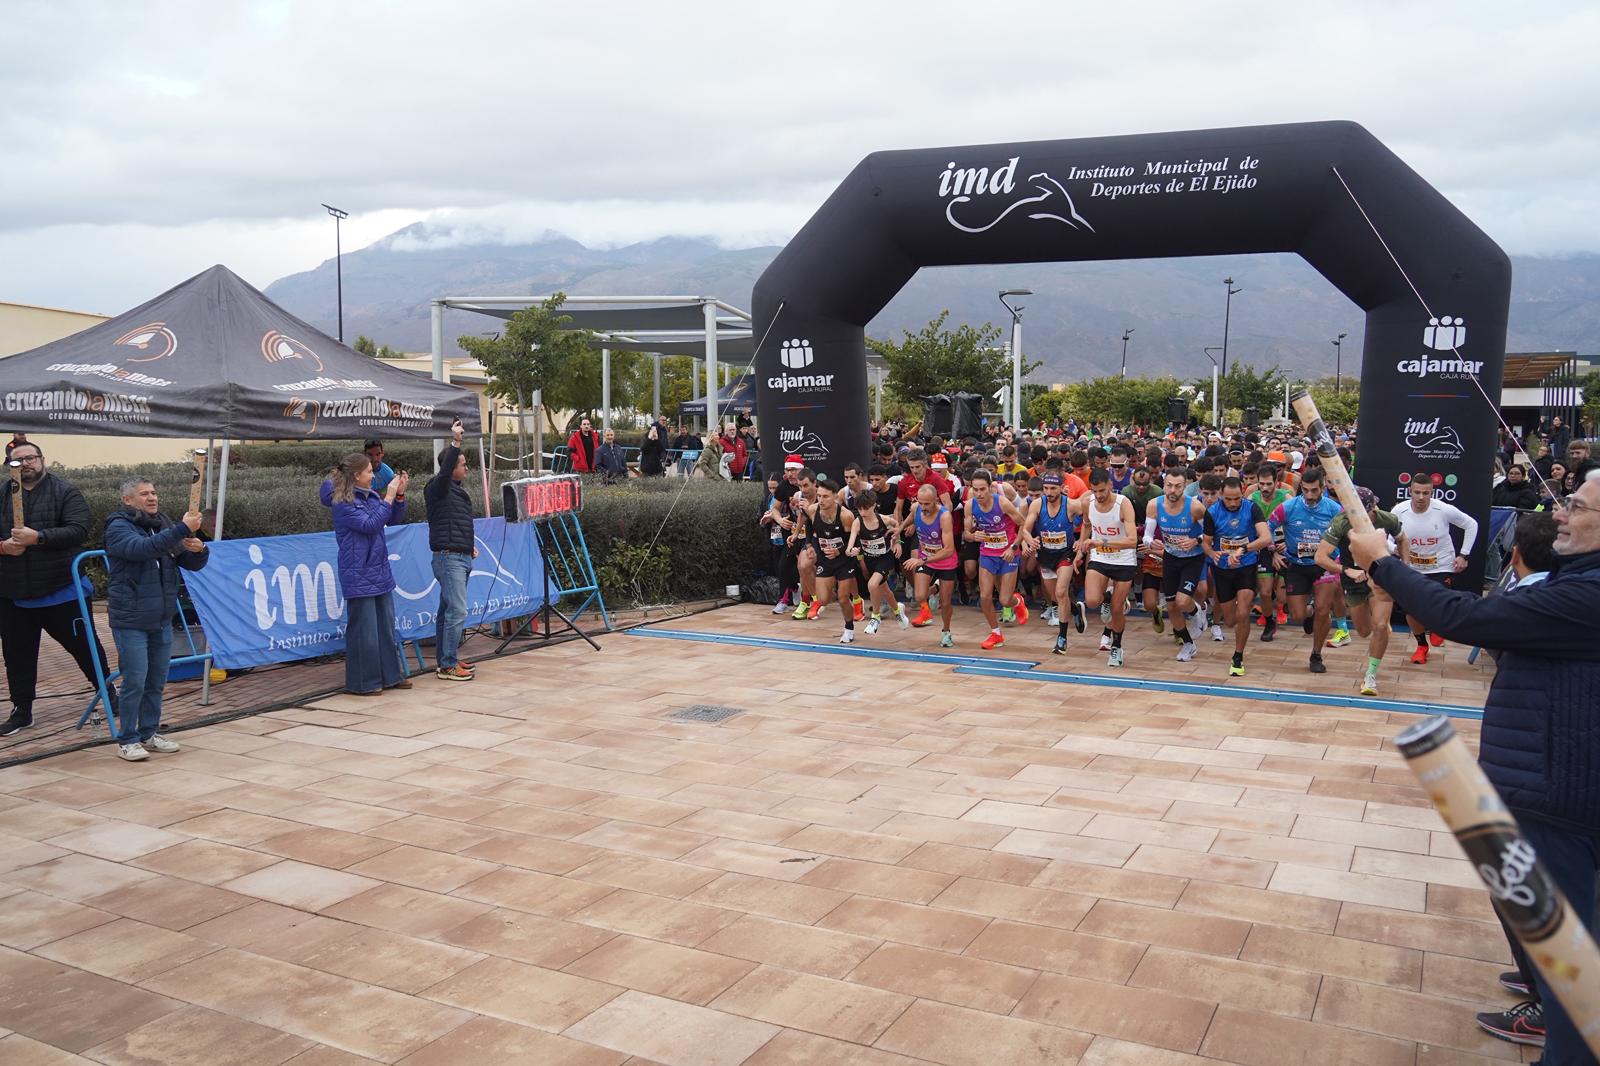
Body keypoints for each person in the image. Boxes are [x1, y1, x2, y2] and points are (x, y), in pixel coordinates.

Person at [1348, 469, 1600, 1066]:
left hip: (1560, 794)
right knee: (1541, 923)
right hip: (1547, 781)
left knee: (1573, 967)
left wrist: (1383, 564)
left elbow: (1464, 620)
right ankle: (1541, 986)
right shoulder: (1575, 583)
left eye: (1578, 506)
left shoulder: (1584, 597)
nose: (1559, 513)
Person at [0, 441, 116, 737]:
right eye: (17, 461)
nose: (25, 464)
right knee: (17, 656)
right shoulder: (2, 495)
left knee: (86, 649)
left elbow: (79, 529)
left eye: (30, 458)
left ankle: (109, 693)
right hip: (14, 593)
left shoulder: (65, 491)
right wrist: (3, 547)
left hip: (62, 590)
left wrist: (37, 537)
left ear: (42, 460)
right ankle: (22, 710)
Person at [102, 477, 208, 761]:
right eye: (144, 494)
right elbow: (140, 550)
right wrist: (182, 528)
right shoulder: (118, 526)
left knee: (156, 679)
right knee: (135, 679)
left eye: (154, 492)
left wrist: (200, 549)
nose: (152, 498)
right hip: (131, 619)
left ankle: (148, 732)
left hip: (161, 617)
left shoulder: (162, 524)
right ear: (127, 500)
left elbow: (188, 562)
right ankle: (128, 739)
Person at [321, 453, 411, 695]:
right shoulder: (342, 503)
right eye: (370, 472)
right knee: (365, 630)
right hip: (358, 571)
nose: (374, 476)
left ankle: (390, 676)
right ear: (356, 475)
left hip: (379, 568)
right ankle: (365, 683)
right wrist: (389, 496)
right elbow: (370, 525)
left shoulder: (369, 496)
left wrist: (399, 495)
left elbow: (390, 519)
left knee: (384, 626)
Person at [1316, 486, 1403, 696]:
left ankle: (1370, 676)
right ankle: (1378, 627)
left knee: (1380, 626)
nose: (1357, 518)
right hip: (1354, 582)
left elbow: (1403, 539)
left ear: (1372, 507)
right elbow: (1320, 558)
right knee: (1364, 631)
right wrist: (1348, 571)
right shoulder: (1341, 522)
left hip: (1380, 579)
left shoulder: (1387, 519)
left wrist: (1404, 567)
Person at [1393, 474, 1479, 664]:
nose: (1421, 497)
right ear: (1410, 492)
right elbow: (1387, 537)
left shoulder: (1443, 509)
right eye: (1417, 492)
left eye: (1426, 493)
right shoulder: (1399, 510)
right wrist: (1397, 550)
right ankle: (1421, 646)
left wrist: (1464, 555)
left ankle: (1439, 628)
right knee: (1411, 609)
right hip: (1412, 566)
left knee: (1438, 604)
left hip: (1441, 565)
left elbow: (1471, 524)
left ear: (1432, 492)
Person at [1267, 466, 1342, 674]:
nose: (1309, 495)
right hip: (1296, 565)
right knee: (1298, 615)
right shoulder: (1288, 507)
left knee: (1323, 609)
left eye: (1314, 490)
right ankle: (1309, 614)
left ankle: (1316, 654)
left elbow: (1347, 535)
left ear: (1323, 486)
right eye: (1305, 490)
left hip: (1324, 566)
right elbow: (1267, 527)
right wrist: (1274, 551)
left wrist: (1339, 559)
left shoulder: (1334, 509)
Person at [1204, 476, 1271, 677]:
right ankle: (1229, 624)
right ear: (1221, 496)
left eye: (1236, 499)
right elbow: (1206, 543)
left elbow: (1266, 537)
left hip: (1246, 566)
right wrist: (1212, 553)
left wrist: (1243, 549)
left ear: (1242, 494)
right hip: (1222, 570)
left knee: (1243, 612)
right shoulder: (1212, 512)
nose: (1233, 503)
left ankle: (1238, 656)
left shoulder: (1252, 508)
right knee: (1231, 620)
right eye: (1228, 499)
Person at [426, 420, 476, 683]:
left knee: (447, 613)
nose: (466, 467)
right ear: (450, 467)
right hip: (448, 559)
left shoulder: (457, 493)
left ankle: (447, 660)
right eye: (462, 463)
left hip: (461, 556)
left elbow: (457, 524)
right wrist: (455, 442)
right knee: (458, 612)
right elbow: (444, 473)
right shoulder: (437, 487)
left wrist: (470, 547)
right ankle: (447, 665)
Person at [963, 470, 1031, 650]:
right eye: (975, 489)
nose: (979, 494)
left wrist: (1014, 547)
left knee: (1004, 600)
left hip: (1008, 553)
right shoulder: (970, 505)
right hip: (987, 553)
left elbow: (1023, 524)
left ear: (990, 487)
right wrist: (972, 535)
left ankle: (1017, 602)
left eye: (982, 489)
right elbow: (966, 532)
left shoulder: (1002, 502)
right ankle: (996, 634)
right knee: (985, 596)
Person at [1146, 469, 1208, 662]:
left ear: (1185, 486)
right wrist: (1151, 543)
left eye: (1178, 486)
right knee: (1172, 606)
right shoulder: (1154, 505)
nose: (1173, 490)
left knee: (1182, 601)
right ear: (1164, 485)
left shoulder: (1195, 507)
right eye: (1169, 485)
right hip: (1170, 557)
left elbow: (1211, 535)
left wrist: (1195, 541)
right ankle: (1188, 644)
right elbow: (1147, 535)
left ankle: (1198, 611)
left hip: (1193, 558)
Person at [1078, 467, 1138, 666]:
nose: (1098, 495)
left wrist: (1102, 542)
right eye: (1094, 491)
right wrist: (1080, 549)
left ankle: (1116, 647)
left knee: (1117, 609)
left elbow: (1132, 540)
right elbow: (1087, 524)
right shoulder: (1088, 503)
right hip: (1100, 557)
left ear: (1110, 485)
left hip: (1123, 560)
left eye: (1102, 491)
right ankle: (1105, 596)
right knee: (1092, 600)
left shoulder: (1123, 504)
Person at [796, 480, 857, 644]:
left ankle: (849, 628)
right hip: (825, 559)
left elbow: (855, 541)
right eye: (820, 496)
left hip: (844, 559)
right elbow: (809, 527)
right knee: (823, 600)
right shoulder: (813, 509)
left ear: (835, 497)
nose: (821, 500)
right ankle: (835, 589)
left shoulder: (846, 515)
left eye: (826, 497)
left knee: (844, 599)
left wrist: (839, 551)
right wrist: (809, 544)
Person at [844, 488, 908, 634]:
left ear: (873, 505)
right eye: (859, 509)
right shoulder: (857, 523)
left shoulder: (884, 520)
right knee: (884, 590)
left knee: (872, 585)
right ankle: (898, 611)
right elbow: (849, 548)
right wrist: (851, 551)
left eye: (865, 508)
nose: (862, 512)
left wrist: (897, 542)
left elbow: (896, 526)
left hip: (885, 558)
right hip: (869, 559)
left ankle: (875, 617)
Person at [904, 483, 959, 647]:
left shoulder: (944, 516)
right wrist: (898, 528)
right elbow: (910, 517)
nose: (923, 507)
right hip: (926, 558)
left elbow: (949, 550)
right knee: (920, 596)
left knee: (946, 602)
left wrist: (923, 560)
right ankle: (934, 588)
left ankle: (946, 632)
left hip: (946, 562)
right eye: (920, 503)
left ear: (936, 500)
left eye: (927, 504)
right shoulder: (916, 508)